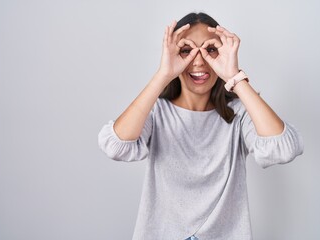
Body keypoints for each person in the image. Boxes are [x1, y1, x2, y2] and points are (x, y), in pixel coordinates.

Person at [98, 12, 303, 240]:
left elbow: (285, 149)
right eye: (186, 50)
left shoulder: (238, 115)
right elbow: (115, 146)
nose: (198, 61)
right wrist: (163, 74)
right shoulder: (157, 112)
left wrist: (234, 76)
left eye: (210, 50)